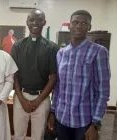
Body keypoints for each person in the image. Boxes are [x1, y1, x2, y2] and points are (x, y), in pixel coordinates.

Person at [48, 10, 110, 140]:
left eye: (83, 23)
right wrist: (53, 112)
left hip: (84, 121)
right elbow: (58, 86)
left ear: (89, 27)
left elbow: (103, 91)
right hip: (62, 117)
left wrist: (95, 124)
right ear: (69, 25)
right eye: (75, 22)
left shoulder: (98, 52)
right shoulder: (61, 53)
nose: (78, 26)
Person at [11, 8, 59, 140]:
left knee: (38, 136)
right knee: (18, 135)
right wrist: (21, 98)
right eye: (32, 19)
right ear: (27, 22)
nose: (35, 23)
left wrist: (38, 100)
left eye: (39, 20)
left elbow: (53, 77)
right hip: (21, 96)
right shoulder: (17, 46)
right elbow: (14, 74)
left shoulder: (52, 48)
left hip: (42, 98)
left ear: (44, 22)